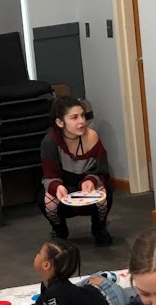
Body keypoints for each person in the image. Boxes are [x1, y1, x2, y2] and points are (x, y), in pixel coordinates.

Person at [0, 240, 132, 305]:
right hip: (94, 286)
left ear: (46, 265)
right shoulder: (48, 285)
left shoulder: (56, 291)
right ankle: (105, 277)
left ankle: (108, 279)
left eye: (39, 253)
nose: (35, 255)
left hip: (111, 300)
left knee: (137, 297)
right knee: (82, 286)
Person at [39, 96, 114, 247]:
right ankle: (59, 231)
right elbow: (49, 176)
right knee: (46, 200)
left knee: (105, 193)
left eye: (82, 115)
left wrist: (90, 180)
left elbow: (101, 170)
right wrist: (57, 187)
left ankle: (99, 228)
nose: (81, 121)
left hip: (86, 191)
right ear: (60, 122)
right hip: (65, 190)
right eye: (74, 117)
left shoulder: (92, 136)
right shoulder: (50, 141)